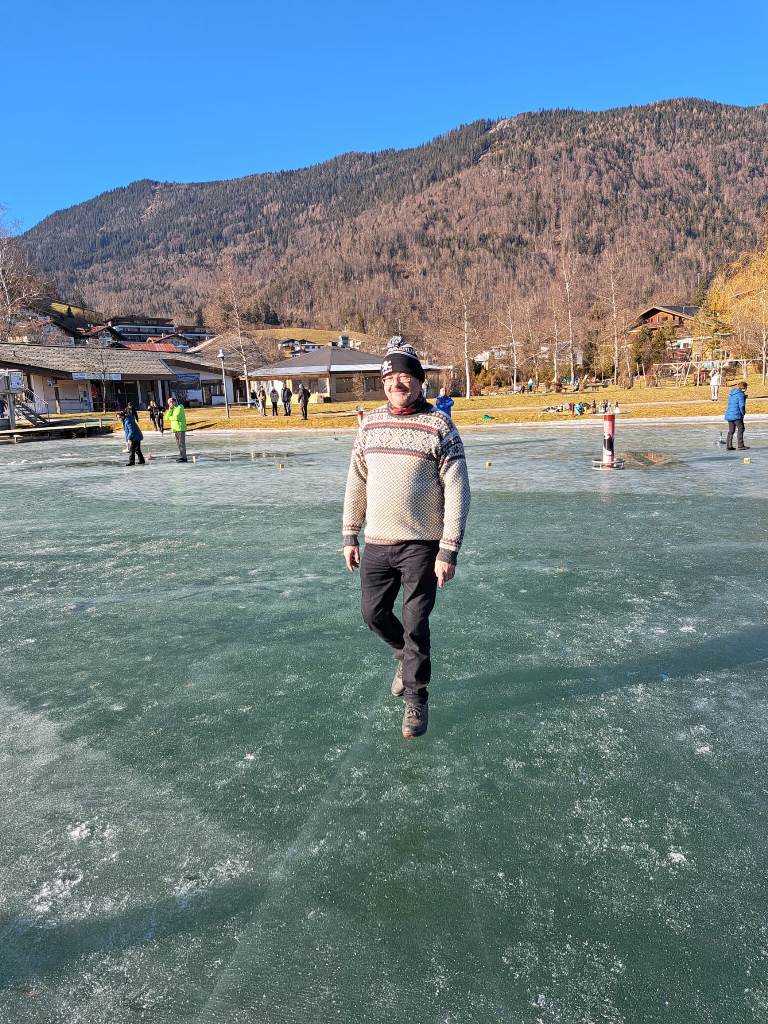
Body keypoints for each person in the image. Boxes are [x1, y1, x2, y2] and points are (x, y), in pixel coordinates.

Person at [342, 337, 471, 740]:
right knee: (372, 614)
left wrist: (449, 549)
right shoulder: (369, 425)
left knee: (416, 623)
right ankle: (404, 657)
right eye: (389, 378)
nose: (396, 384)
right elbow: (357, 482)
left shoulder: (440, 426)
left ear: (418, 381)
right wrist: (350, 533)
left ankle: (416, 698)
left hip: (422, 544)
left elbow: (458, 491)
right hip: (378, 542)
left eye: (404, 377)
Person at [724, 381, 749, 450]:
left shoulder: (732, 394)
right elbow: (741, 406)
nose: (746, 389)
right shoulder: (741, 394)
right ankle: (740, 445)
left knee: (731, 430)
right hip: (736, 414)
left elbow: (734, 402)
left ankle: (729, 446)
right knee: (741, 428)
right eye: (746, 387)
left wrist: (744, 398)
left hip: (729, 414)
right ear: (744, 387)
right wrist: (743, 413)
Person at [164, 396, 188, 462]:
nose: (169, 405)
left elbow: (176, 417)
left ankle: (184, 457)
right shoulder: (172, 409)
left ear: (173, 402)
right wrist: (169, 410)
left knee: (181, 443)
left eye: (170, 403)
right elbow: (165, 418)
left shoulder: (180, 407)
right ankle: (181, 456)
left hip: (180, 428)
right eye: (168, 404)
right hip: (175, 429)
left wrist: (170, 417)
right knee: (178, 444)